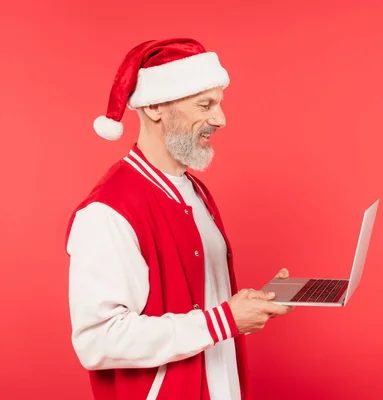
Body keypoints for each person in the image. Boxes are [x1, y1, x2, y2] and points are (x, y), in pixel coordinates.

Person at [65, 38, 292, 400]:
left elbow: (202, 303)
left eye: (219, 103)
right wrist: (225, 320)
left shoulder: (196, 192)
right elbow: (97, 340)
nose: (221, 119)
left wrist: (247, 306)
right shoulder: (107, 212)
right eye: (206, 104)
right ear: (155, 106)